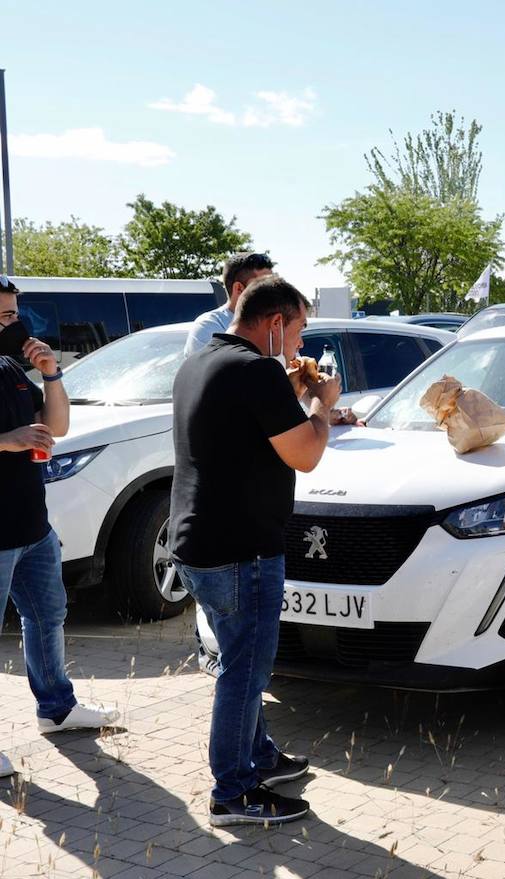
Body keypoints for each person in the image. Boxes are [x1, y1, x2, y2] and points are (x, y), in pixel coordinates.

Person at [170, 274, 341, 827]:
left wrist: (289, 392)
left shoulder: (204, 361)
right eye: (297, 332)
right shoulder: (257, 370)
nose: (298, 346)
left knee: (238, 659)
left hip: (197, 543)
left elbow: (246, 428)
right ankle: (233, 792)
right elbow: (306, 454)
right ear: (273, 324)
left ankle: (260, 757)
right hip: (241, 550)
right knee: (245, 672)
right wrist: (321, 405)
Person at [0, 275, 120, 780]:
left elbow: (59, 426)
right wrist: (8, 439)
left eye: (13, 315)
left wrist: (51, 374)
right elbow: (20, 436)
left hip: (32, 526)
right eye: (5, 316)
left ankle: (56, 708)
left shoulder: (8, 367)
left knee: (47, 617)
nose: (14, 326)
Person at [183, 252, 275, 356]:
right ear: (239, 288)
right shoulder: (208, 327)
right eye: (263, 287)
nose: (273, 293)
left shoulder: (276, 324)